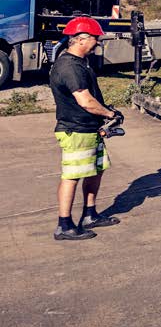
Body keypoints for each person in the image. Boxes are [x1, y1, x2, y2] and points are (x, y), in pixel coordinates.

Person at [49, 16, 123, 241]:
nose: (98, 42)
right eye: (95, 38)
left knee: (95, 170)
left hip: (90, 129)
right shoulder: (70, 67)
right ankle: (64, 225)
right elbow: (85, 101)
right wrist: (111, 114)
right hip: (76, 130)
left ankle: (90, 214)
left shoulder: (79, 63)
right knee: (72, 176)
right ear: (82, 39)